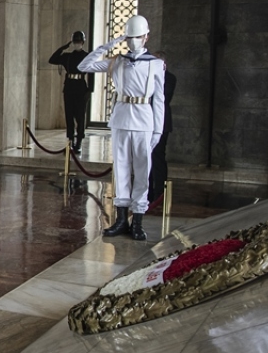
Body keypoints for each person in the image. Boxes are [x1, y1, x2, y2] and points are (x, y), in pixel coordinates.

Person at [79, 15, 165, 241]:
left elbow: (159, 100)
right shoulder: (117, 60)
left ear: (146, 37)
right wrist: (108, 45)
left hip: (144, 120)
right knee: (121, 169)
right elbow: (84, 65)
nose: (134, 41)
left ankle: (137, 221)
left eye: (138, 36)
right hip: (121, 119)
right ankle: (120, 219)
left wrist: (158, 130)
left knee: (142, 171)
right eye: (130, 37)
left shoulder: (155, 64)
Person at [48, 30, 94, 152]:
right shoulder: (68, 56)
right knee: (69, 115)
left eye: (79, 41)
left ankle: (78, 141)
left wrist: (90, 91)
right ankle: (70, 139)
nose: (77, 43)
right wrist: (63, 48)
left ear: (83, 42)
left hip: (81, 88)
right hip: (69, 87)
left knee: (80, 116)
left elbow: (92, 73)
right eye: (75, 41)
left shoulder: (87, 56)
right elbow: (52, 59)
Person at [148, 51, 176, 205]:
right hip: (147, 122)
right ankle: (148, 192)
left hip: (162, 123)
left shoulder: (170, 78)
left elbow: (164, 97)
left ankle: (159, 193)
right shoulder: (148, 77)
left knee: (158, 157)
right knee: (147, 158)